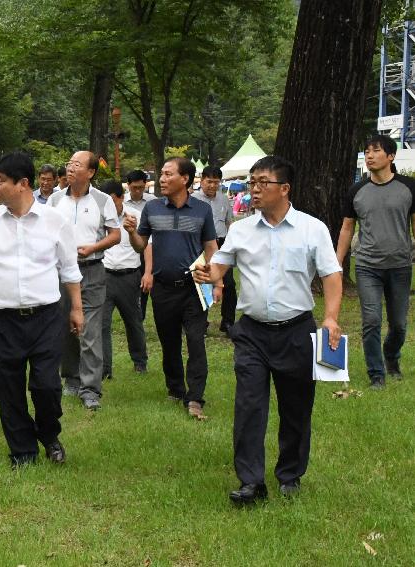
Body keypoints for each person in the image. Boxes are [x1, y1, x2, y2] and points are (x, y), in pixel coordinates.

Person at [193, 155, 342, 504]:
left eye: (263, 183)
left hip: (296, 332)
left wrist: (331, 318)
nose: (255, 189)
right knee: (248, 407)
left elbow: (331, 276)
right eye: (252, 183)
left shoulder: (312, 228)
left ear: (285, 189)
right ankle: (250, 482)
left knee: (296, 408)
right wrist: (208, 274)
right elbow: (220, 267)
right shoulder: (241, 230)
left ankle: (290, 476)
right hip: (252, 334)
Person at [0, 152, 84, 467]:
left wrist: (77, 309)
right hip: (2, 319)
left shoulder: (55, 222)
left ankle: (49, 433)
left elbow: (69, 270)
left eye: (1, 180)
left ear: (22, 184)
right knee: (9, 387)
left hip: (45, 318)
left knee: (46, 385)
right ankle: (22, 451)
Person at [126, 157, 218, 420]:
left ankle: (195, 397)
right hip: (163, 289)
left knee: (196, 341)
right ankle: (176, 388)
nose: (162, 179)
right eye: (162, 175)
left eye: (168, 174)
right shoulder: (153, 208)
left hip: (194, 288)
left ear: (185, 179)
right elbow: (141, 246)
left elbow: (211, 247)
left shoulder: (202, 210)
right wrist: (132, 232)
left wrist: (217, 280)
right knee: (169, 343)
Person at [336, 134, 415, 390]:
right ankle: (376, 374)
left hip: (401, 265)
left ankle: (391, 358)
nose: (369, 156)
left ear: (390, 156)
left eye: (376, 151)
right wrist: (337, 263)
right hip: (368, 265)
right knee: (371, 321)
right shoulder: (356, 190)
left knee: (399, 325)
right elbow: (347, 228)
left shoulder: (409, 187)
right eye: (367, 151)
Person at [47, 151, 120, 410]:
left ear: (90, 172)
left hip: (92, 270)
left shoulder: (102, 200)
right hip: (61, 273)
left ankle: (91, 389)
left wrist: (93, 247)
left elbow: (115, 235)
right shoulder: (54, 200)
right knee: (66, 324)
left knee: (89, 330)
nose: (70, 168)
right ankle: (71, 378)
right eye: (69, 164)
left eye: (76, 165)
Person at [100, 180, 148, 378]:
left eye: (112, 201)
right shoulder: (100, 218)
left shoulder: (134, 216)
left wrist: (148, 272)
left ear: (121, 197)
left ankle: (140, 361)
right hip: (104, 275)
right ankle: (104, 369)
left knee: (133, 321)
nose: (109, 206)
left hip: (129, 276)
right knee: (101, 324)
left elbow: (147, 246)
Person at [192, 165, 236, 333]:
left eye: (216, 182)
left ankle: (228, 321)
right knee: (203, 283)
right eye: (209, 182)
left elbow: (228, 221)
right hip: (201, 243)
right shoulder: (193, 199)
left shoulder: (224, 199)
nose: (212, 186)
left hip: (223, 243)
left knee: (229, 283)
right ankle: (201, 322)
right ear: (202, 180)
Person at [125, 170, 155, 320]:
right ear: (128, 185)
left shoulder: (153, 202)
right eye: (134, 187)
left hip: (147, 248)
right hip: (127, 249)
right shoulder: (121, 202)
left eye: (141, 188)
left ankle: (140, 316)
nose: (137, 191)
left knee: (145, 284)